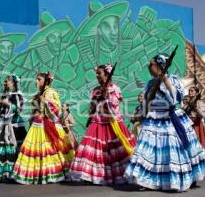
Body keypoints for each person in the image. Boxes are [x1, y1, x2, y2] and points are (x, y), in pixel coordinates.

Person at [124, 53, 205, 191]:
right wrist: (140, 114)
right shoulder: (150, 83)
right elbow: (147, 101)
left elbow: (175, 99)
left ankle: (178, 179)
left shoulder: (173, 80)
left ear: (160, 66)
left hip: (169, 119)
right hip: (153, 119)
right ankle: (148, 180)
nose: (149, 67)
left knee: (174, 151)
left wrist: (165, 80)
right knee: (149, 151)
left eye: (151, 65)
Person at [68, 64, 136, 185]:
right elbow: (93, 106)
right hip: (97, 122)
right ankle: (89, 176)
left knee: (112, 151)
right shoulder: (96, 89)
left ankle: (117, 175)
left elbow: (114, 107)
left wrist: (106, 96)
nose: (97, 76)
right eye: (97, 74)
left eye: (99, 74)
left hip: (111, 124)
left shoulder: (114, 88)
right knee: (91, 149)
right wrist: (93, 108)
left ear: (107, 75)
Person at [12, 72, 75, 184]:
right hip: (37, 125)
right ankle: (38, 174)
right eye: (36, 79)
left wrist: (45, 102)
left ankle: (50, 173)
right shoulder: (39, 93)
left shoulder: (49, 92)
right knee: (36, 151)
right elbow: (35, 110)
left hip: (46, 125)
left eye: (39, 79)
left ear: (46, 81)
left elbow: (56, 110)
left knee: (48, 149)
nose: (36, 81)